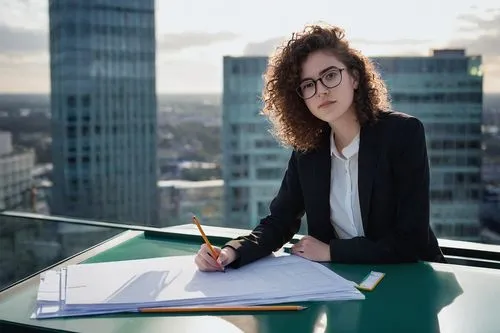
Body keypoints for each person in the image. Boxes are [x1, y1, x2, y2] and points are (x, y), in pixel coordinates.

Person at [194, 23, 446, 272]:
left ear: (354, 77)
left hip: (411, 280)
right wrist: (230, 252)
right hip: (343, 283)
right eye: (308, 85)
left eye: (330, 76)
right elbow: (280, 221)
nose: (321, 91)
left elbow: (411, 240)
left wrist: (331, 251)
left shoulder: (402, 134)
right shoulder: (309, 151)